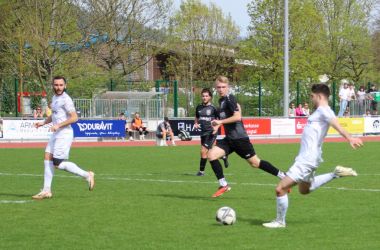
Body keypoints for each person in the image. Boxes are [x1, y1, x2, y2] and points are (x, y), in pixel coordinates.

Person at [262, 83, 363, 228]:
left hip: (307, 159)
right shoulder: (319, 111)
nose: (311, 99)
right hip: (310, 157)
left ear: (320, 96)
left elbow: (336, 124)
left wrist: (350, 138)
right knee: (304, 190)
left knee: (280, 189)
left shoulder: (324, 110)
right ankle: (335, 174)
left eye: (312, 96)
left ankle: (280, 221)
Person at [207, 76, 286, 198]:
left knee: (255, 163)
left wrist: (220, 122)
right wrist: (217, 126)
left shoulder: (229, 98)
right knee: (211, 155)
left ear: (228, 87)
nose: (221, 89)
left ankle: (284, 177)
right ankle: (223, 185)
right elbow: (228, 117)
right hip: (229, 139)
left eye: (223, 87)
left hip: (239, 139)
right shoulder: (221, 101)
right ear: (215, 88)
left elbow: (237, 117)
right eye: (218, 87)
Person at [32, 76, 95, 200]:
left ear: (65, 86)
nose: (58, 87)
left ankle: (87, 175)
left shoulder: (66, 100)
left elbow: (74, 118)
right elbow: (55, 115)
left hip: (64, 133)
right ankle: (46, 191)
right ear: (53, 86)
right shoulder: (55, 98)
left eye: (61, 85)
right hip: (56, 133)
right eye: (56, 85)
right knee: (47, 157)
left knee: (57, 164)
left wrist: (58, 125)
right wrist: (43, 123)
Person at [194, 88, 228, 176]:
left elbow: (221, 120)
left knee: (203, 151)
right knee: (210, 152)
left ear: (210, 97)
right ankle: (223, 155)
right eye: (203, 96)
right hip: (203, 132)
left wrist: (216, 128)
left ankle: (201, 172)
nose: (204, 98)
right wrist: (196, 123)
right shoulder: (199, 107)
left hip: (211, 132)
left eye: (206, 96)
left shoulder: (213, 108)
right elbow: (197, 117)